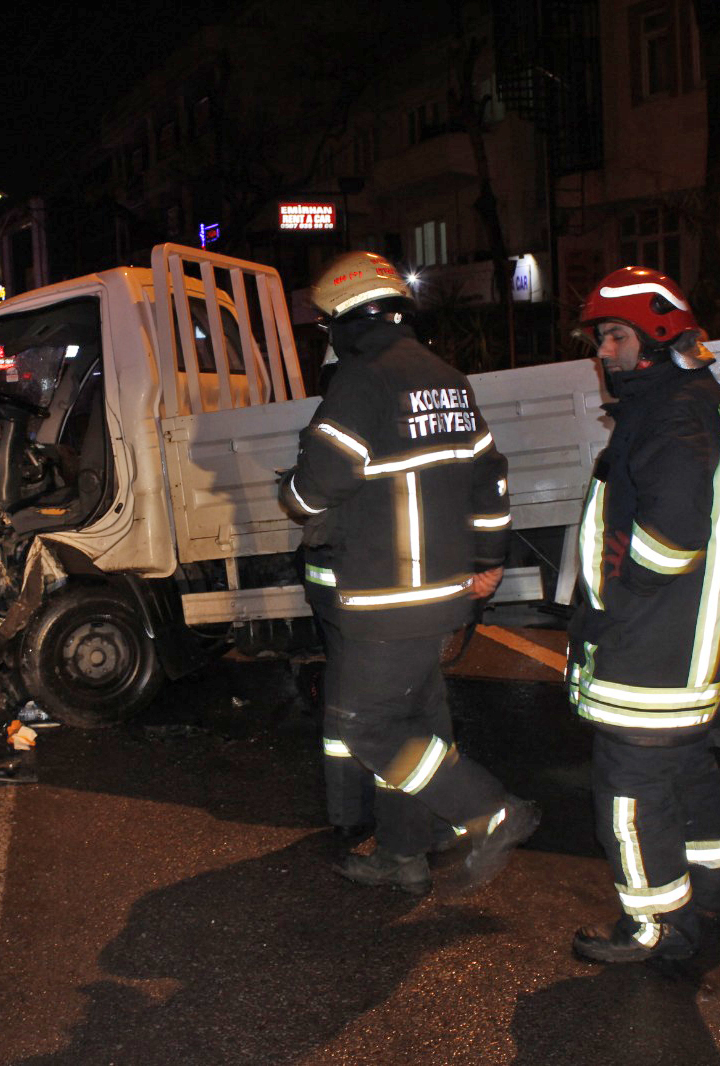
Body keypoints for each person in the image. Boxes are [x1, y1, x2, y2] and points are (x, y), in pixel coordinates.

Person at [279, 250, 539, 897]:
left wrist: (292, 486)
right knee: (414, 727)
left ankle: (488, 810)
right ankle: (403, 853)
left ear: (345, 319)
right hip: (444, 594)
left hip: (386, 597)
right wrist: (487, 562)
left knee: (365, 726)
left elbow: (315, 491)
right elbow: (490, 477)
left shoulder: (362, 382)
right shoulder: (449, 378)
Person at [566, 266, 720, 963]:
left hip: (651, 646)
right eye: (600, 338)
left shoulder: (672, 411)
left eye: (614, 336)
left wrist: (618, 595)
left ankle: (656, 929)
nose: (603, 353)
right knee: (685, 771)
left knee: (631, 788)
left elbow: (672, 538)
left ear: (656, 336)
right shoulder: (691, 399)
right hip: (683, 641)